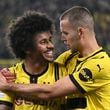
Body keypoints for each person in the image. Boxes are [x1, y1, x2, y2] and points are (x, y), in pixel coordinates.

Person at [1, 6, 110, 110]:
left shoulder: (101, 65)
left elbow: (51, 91)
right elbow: (44, 70)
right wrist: (7, 73)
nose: (62, 38)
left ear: (80, 32)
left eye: (65, 33)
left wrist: (8, 86)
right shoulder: (68, 58)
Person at [0, 11, 68, 110]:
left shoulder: (62, 73)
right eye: (43, 42)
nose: (51, 46)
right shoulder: (10, 76)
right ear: (27, 48)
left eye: (50, 40)